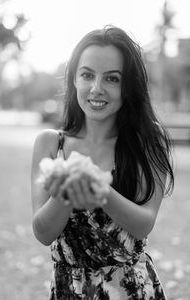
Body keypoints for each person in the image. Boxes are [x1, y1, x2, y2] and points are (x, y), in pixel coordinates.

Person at [31, 25, 174, 299]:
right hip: (68, 291)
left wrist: (101, 191)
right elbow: (42, 233)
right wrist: (66, 192)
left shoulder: (147, 140)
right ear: (74, 79)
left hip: (130, 290)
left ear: (128, 86)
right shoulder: (50, 144)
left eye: (112, 79)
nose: (96, 89)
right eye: (87, 75)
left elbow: (144, 223)